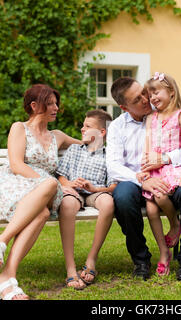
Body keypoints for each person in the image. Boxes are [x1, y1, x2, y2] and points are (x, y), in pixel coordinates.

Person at [0, 84, 81, 300]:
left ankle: (6, 276)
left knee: (43, 213)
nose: (56, 107)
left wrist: (97, 132)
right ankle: (0, 242)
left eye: (57, 103)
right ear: (35, 105)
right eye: (50, 103)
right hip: (12, 184)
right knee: (49, 185)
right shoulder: (19, 128)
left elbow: (87, 145)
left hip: (40, 196)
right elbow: (17, 165)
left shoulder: (58, 136)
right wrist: (47, 185)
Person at [107, 76, 181, 281]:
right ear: (124, 107)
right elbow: (113, 165)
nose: (146, 99)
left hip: (169, 174)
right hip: (137, 179)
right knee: (123, 197)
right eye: (137, 100)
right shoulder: (117, 127)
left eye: (144, 93)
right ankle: (141, 260)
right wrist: (142, 180)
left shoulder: (168, 114)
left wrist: (165, 158)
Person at [136, 72, 181, 276]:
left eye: (156, 92)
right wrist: (144, 172)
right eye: (150, 94)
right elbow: (147, 148)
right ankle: (176, 225)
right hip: (156, 170)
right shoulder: (151, 118)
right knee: (155, 199)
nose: (152, 98)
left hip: (175, 170)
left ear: (171, 92)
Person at [56, 109, 117, 289]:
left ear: (101, 132)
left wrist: (95, 188)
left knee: (108, 202)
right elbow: (60, 176)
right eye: (83, 125)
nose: (82, 129)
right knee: (67, 203)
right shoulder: (74, 150)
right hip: (73, 192)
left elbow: (113, 186)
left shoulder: (109, 155)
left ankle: (91, 260)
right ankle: (70, 268)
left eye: (87, 126)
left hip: (95, 191)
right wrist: (70, 184)